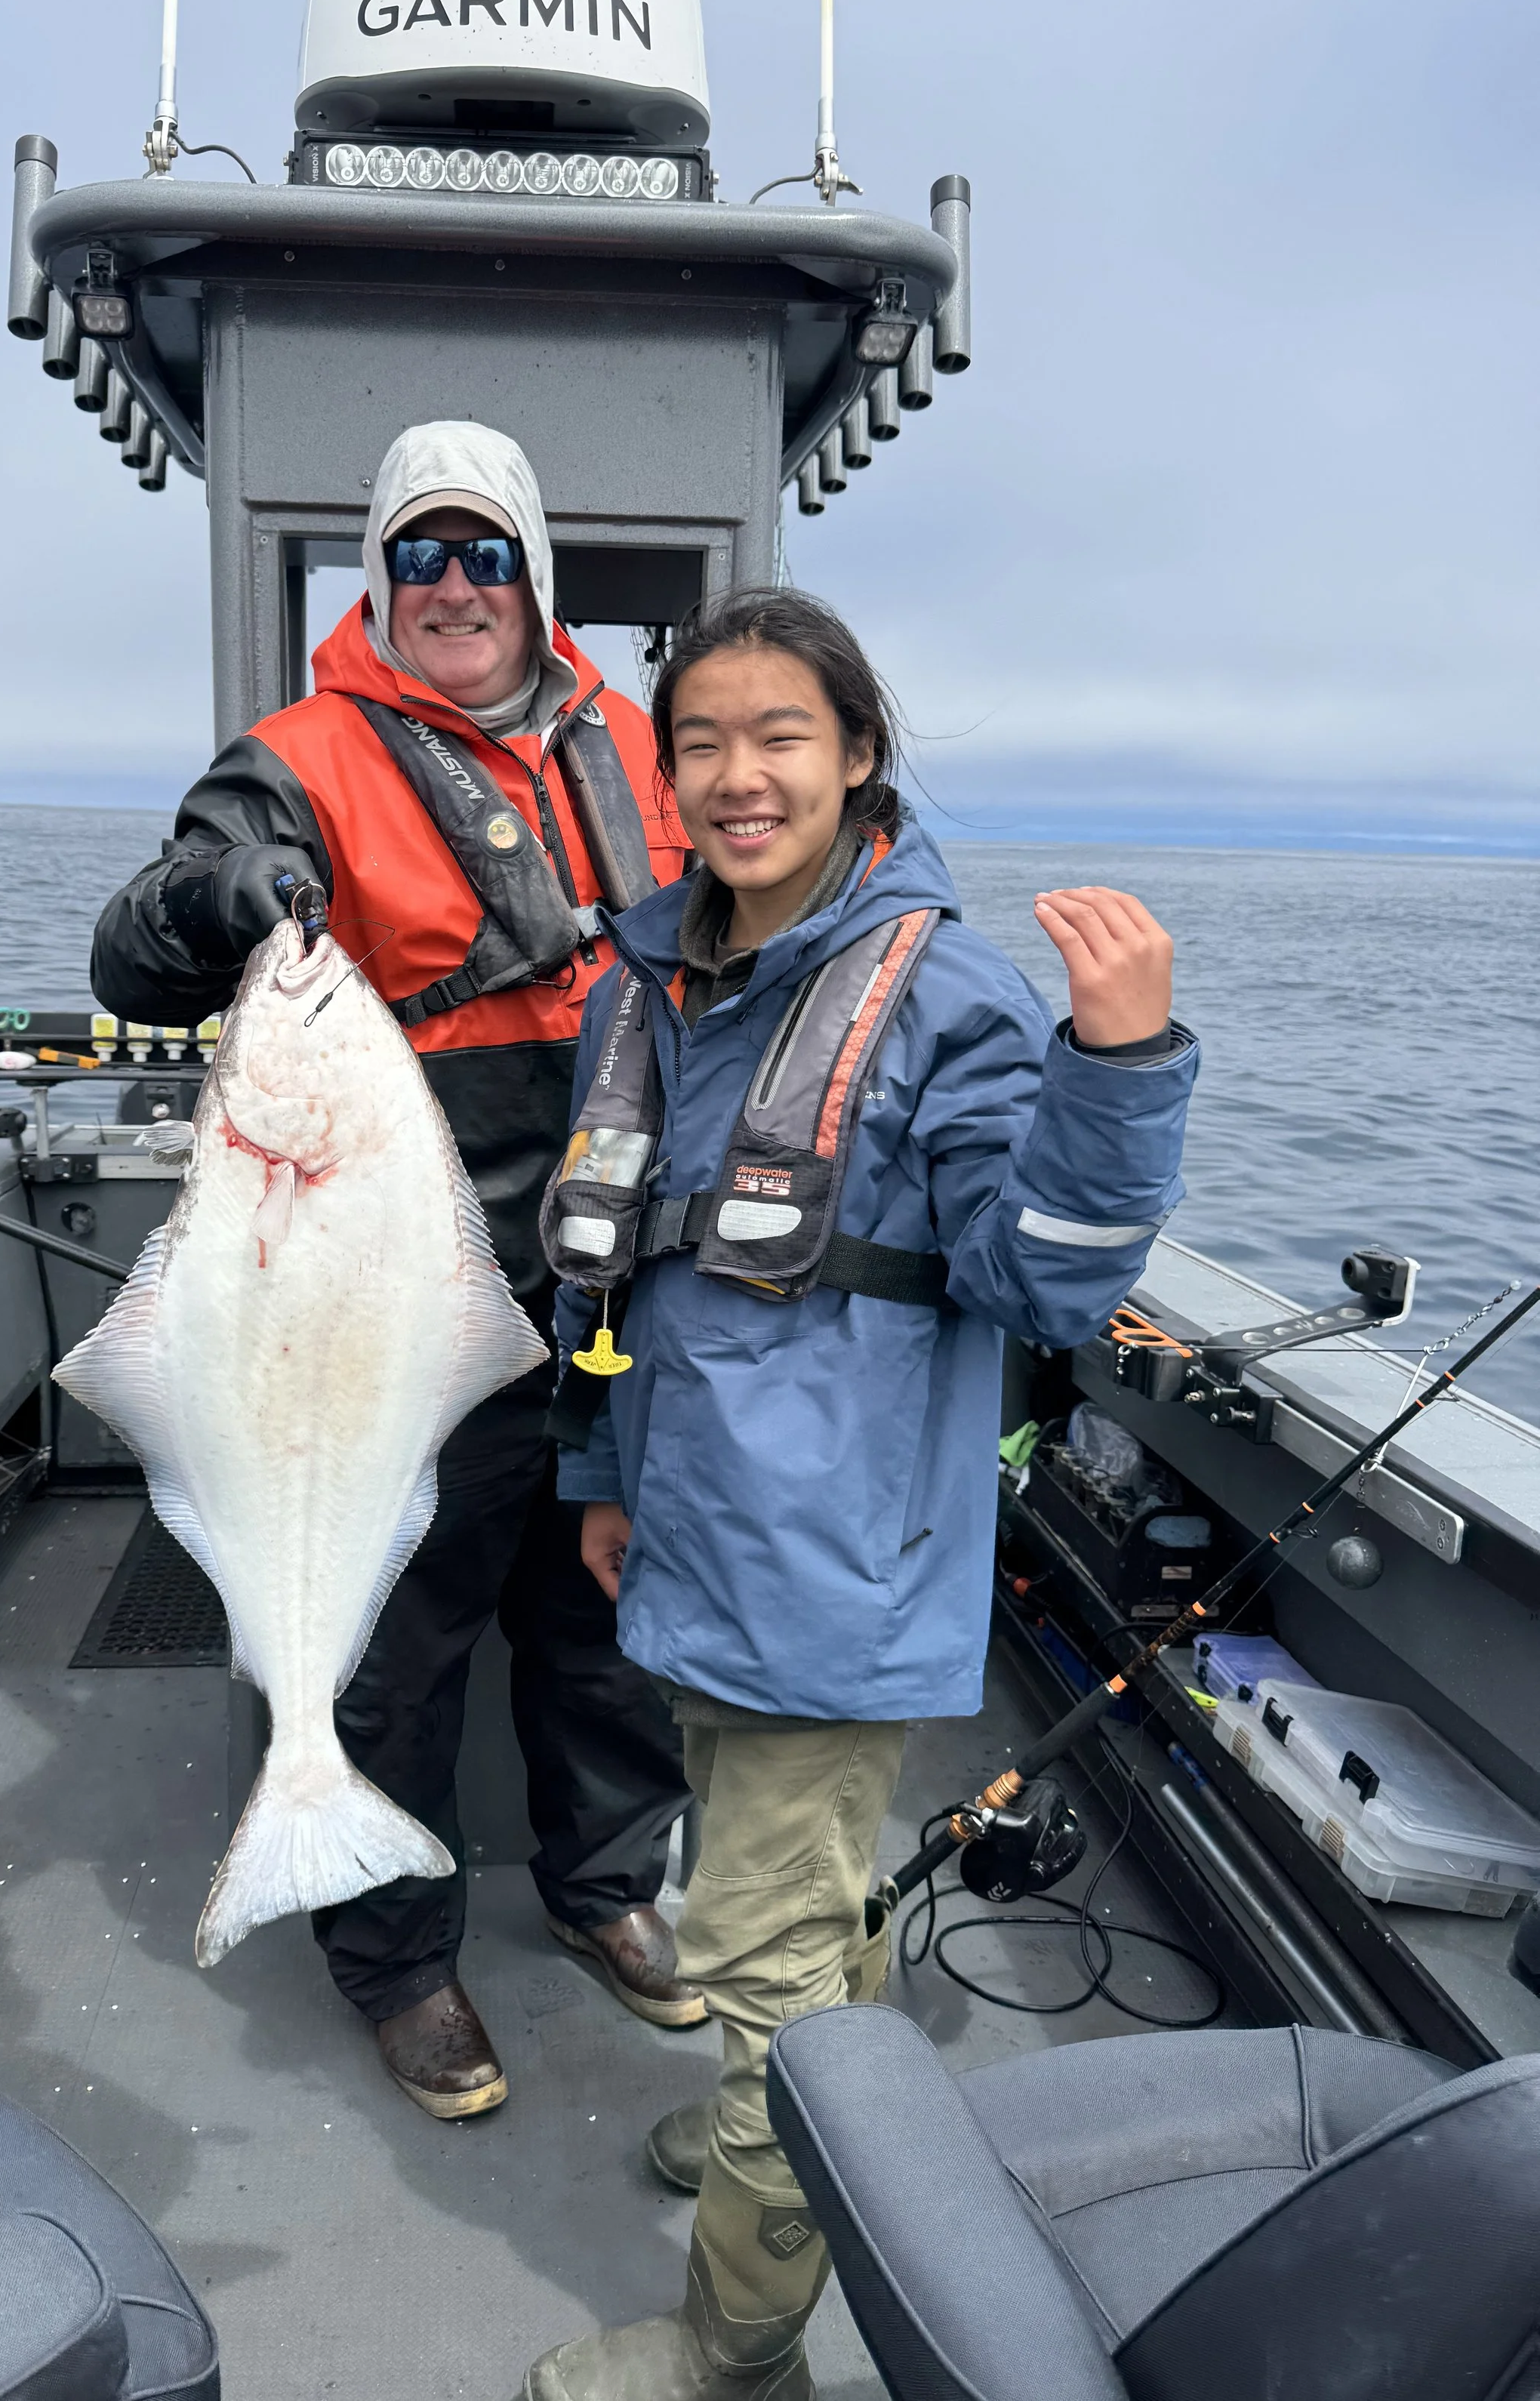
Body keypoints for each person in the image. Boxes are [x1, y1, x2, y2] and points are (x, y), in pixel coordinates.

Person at [521, 587, 1197, 2399]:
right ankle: (835, 2143)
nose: (737, 777)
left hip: (828, 1582)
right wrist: (598, 1469)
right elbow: (620, 1277)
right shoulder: (656, 978)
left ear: (857, 758)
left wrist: (1118, 1062)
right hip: (682, 1547)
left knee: (764, 1972)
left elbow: (1039, 1278)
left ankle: (737, 2347)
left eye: (779, 738)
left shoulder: (948, 993)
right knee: (802, 1912)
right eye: (699, 741)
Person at [92, 421, 700, 2120]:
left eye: (483, 551)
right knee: (398, 1636)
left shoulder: (631, 745)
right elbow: (132, 949)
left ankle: (603, 1890)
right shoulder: (297, 756)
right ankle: (395, 1958)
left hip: (612, 1269)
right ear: (375, 574)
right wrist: (235, 894)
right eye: (417, 553)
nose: (450, 585)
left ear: (533, 577)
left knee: (603, 1619)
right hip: (393, 1276)